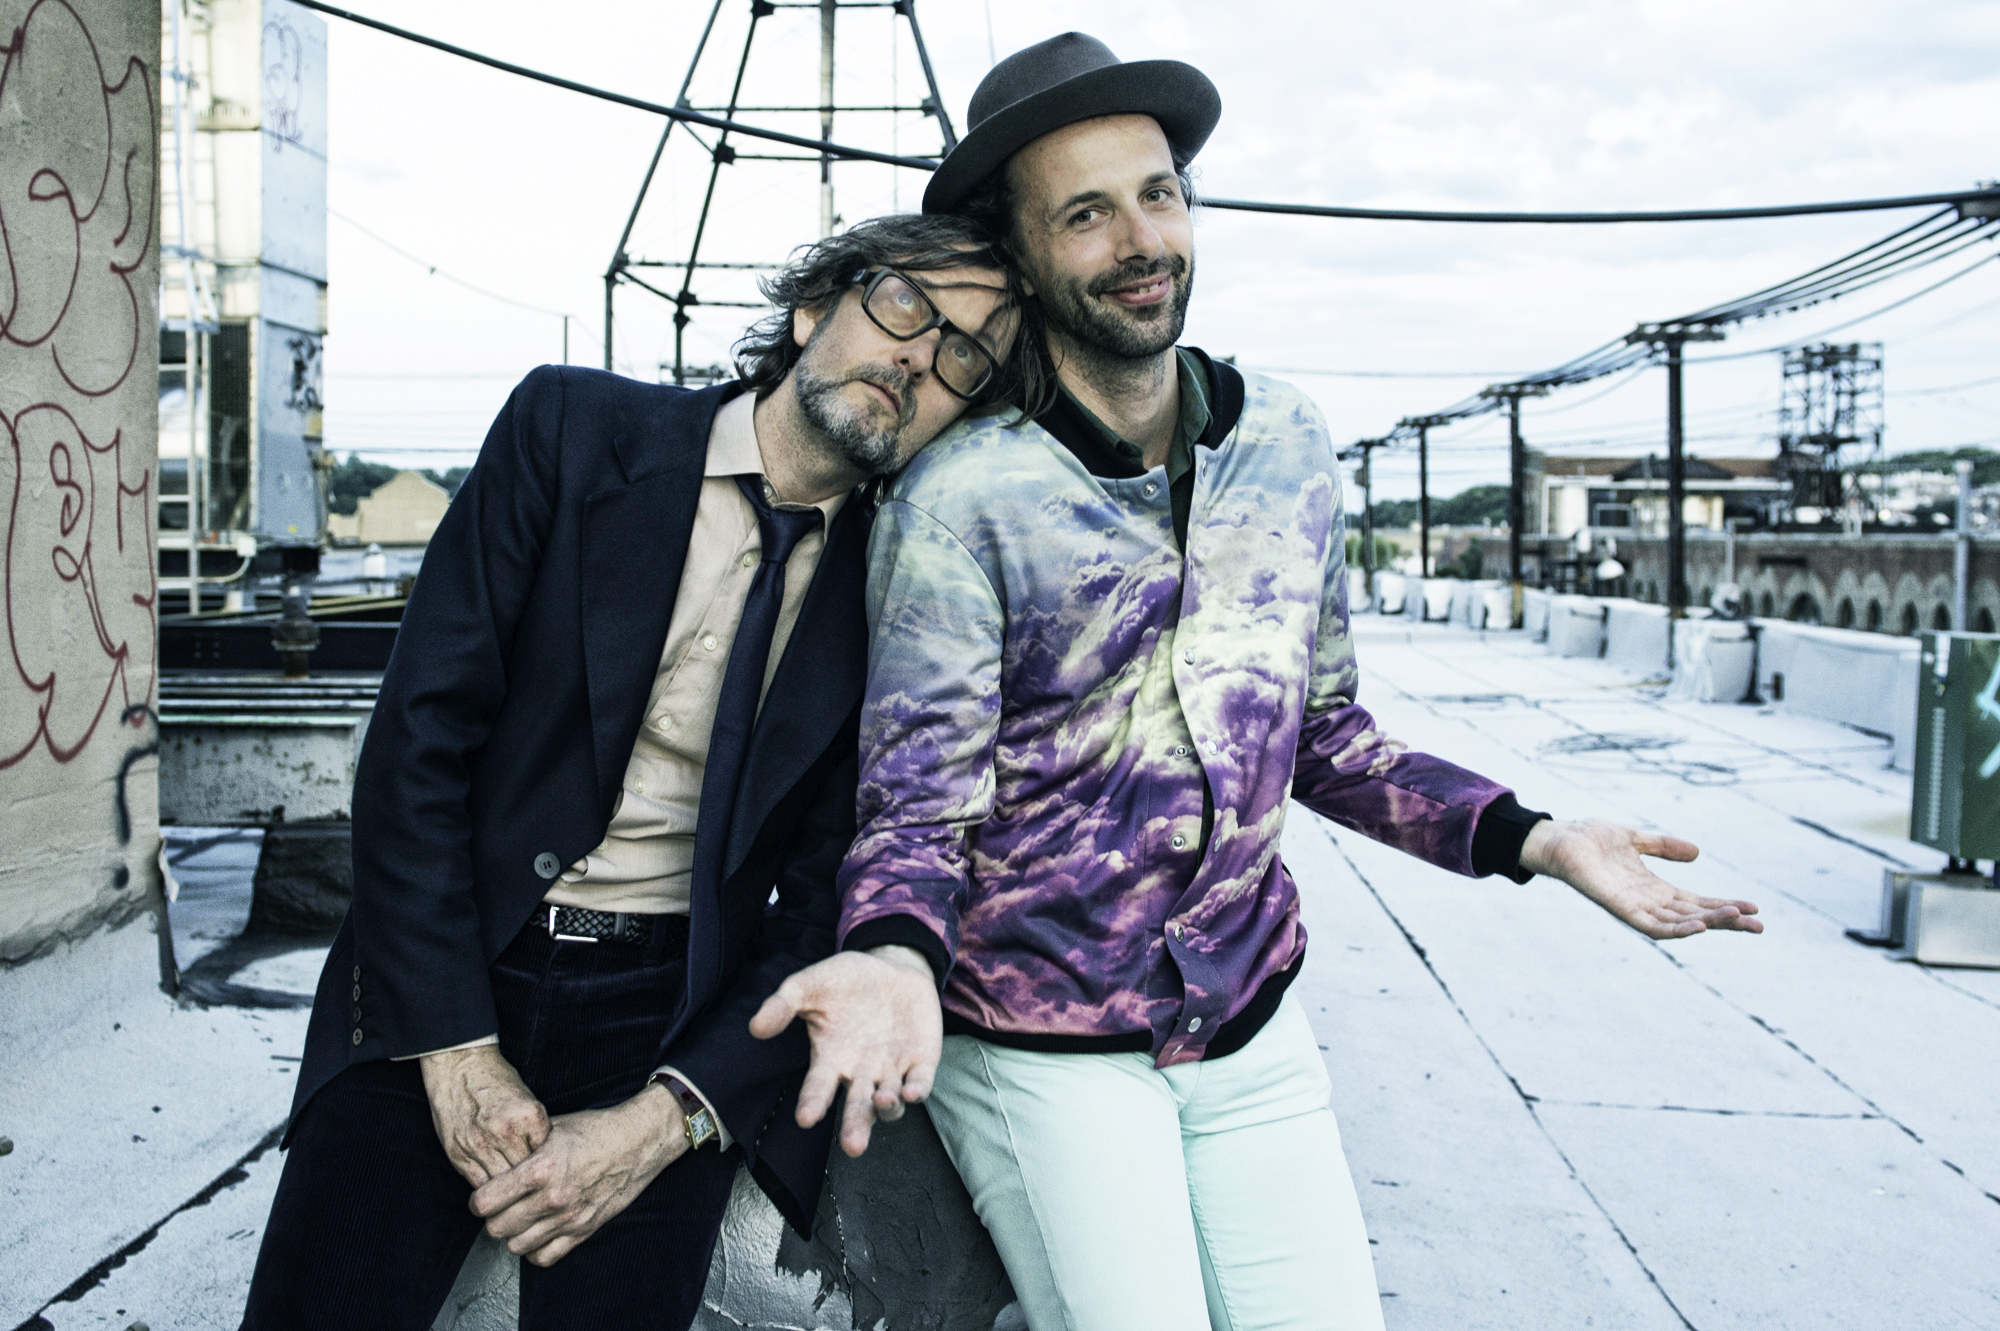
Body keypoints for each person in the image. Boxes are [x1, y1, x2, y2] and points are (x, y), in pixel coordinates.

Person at [751, 34, 1764, 1331]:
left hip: (1248, 1006)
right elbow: (917, 808)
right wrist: (891, 954)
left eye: (1158, 192)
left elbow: (1328, 734)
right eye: (1086, 211)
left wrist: (1538, 835)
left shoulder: (1284, 441)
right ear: (1022, 251)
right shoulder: (963, 499)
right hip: (1041, 1037)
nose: (1140, 238)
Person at [240, 213, 1025, 1331]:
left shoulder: (900, 592)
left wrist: (663, 1118)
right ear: (815, 308)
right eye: (904, 306)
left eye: (961, 356)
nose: (917, 356)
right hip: (451, 956)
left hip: (669, 1013)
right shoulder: (570, 430)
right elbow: (418, 742)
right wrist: (456, 1048)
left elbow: (822, 896)